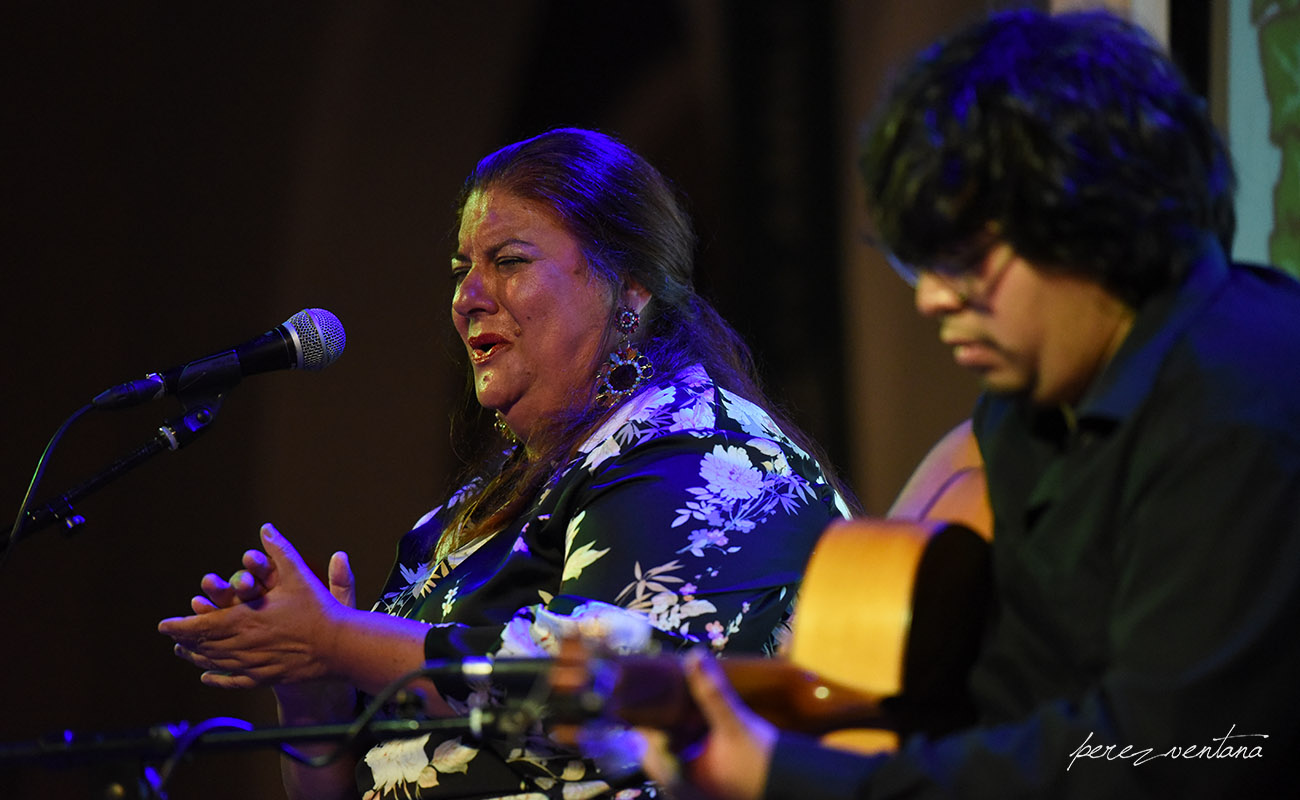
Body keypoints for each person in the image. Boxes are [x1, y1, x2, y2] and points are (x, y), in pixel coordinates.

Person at [637, 9, 1300, 799]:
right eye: (922, 264)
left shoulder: (1237, 405)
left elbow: (1161, 757)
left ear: (1096, 215)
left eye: (967, 257)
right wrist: (733, 704)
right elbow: (1007, 707)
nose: (933, 299)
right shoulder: (1027, 409)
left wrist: (794, 777)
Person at [157, 127, 854, 800]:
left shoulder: (699, 450)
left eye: (510, 261)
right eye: (462, 271)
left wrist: (339, 638)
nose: (467, 299)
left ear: (631, 290)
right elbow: (365, 780)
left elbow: (591, 684)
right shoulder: (459, 523)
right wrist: (313, 696)